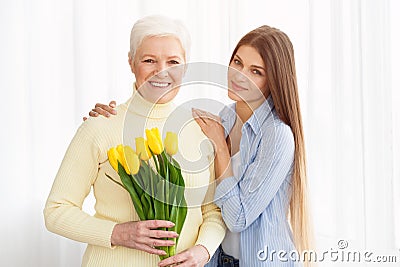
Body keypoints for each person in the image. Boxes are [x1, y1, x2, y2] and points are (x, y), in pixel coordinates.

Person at [90, 25, 313, 267]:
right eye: (237, 62)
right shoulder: (222, 120)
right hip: (217, 260)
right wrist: (111, 117)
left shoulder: (277, 135)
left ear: (274, 80)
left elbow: (238, 218)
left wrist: (219, 146)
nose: (239, 75)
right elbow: (161, 111)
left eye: (255, 71)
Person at [44, 15, 226, 267]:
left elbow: (213, 213)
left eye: (173, 61)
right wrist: (118, 233)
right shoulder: (100, 127)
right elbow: (56, 211)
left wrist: (203, 251)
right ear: (131, 62)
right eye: (149, 60)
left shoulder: (201, 129)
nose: (162, 71)